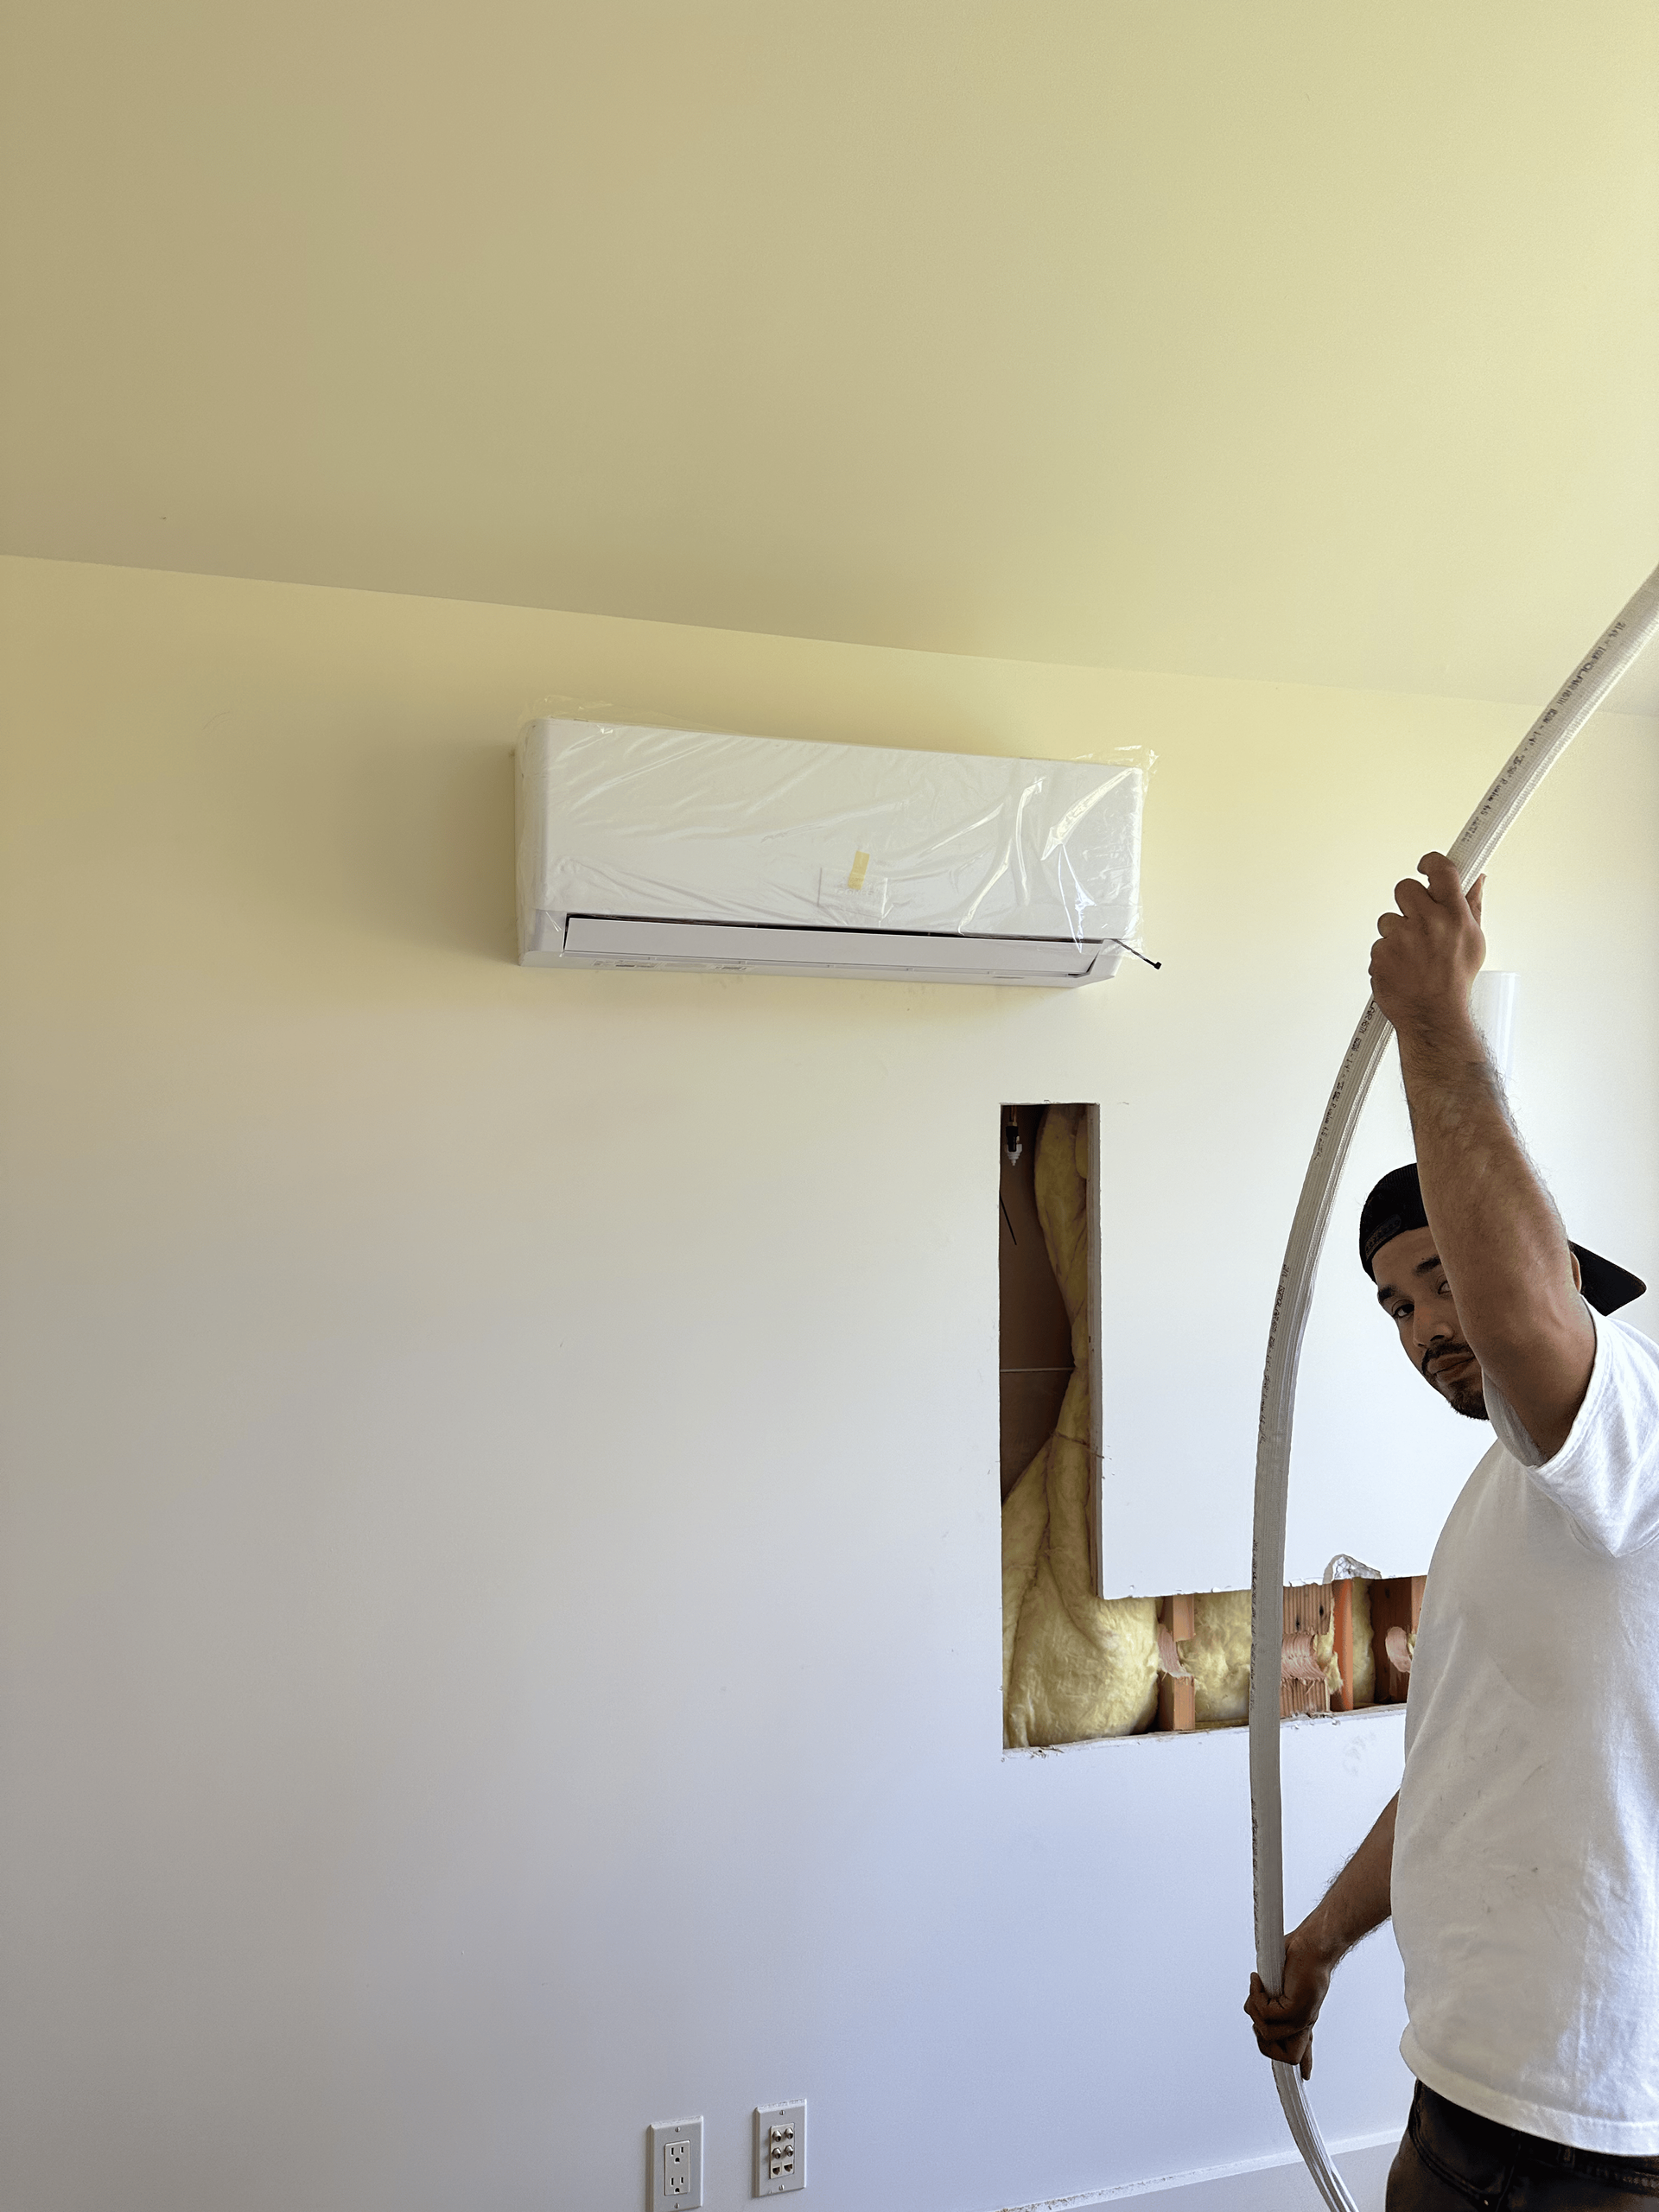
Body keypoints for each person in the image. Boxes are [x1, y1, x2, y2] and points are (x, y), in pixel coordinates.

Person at [1243, 853, 1659, 2210]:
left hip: (1604, 2142)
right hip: (1460, 2103)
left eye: (1440, 1281)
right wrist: (1321, 1942)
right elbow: (1470, 1767)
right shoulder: (1504, 1497)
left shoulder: (1626, 1428)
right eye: (1395, 1307)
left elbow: (1527, 1311)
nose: (1424, 1328)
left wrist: (1436, 1023)